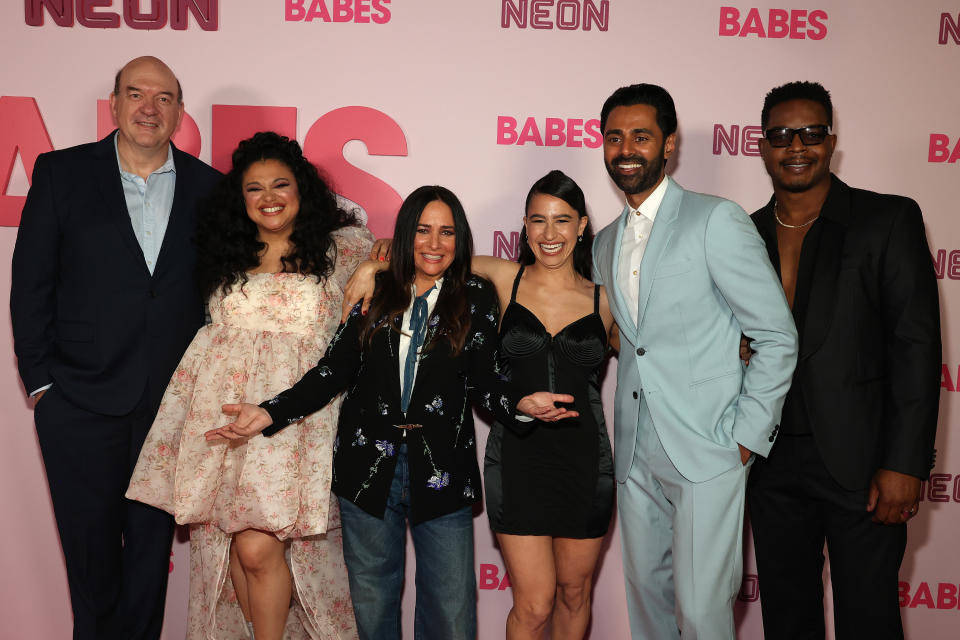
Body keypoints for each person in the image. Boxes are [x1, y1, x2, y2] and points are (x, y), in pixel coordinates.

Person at [206, 185, 578, 640]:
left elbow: (485, 379)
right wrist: (267, 413)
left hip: (442, 471)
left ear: (460, 239)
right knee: (374, 608)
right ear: (406, 235)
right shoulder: (375, 289)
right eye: (423, 230)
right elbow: (332, 371)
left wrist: (519, 402)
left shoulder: (476, 295)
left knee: (452, 615)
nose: (434, 243)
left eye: (446, 232)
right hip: (367, 471)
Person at [344, 170, 616, 639]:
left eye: (563, 221)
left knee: (575, 595)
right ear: (524, 228)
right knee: (533, 605)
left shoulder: (607, 301)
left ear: (583, 225)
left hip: (586, 461)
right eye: (538, 221)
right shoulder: (501, 276)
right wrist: (375, 263)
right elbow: (429, 256)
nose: (550, 234)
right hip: (518, 459)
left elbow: (658, 353)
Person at [9, 56, 221, 640]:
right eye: (136, 94)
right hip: (77, 401)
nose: (148, 108)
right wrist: (42, 383)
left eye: (163, 98)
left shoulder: (212, 189)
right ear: (114, 104)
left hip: (170, 412)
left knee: (149, 568)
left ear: (179, 112)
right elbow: (30, 286)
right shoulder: (60, 174)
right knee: (90, 564)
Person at [126, 131, 368, 640]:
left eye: (280, 184)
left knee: (259, 547)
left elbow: (406, 258)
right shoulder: (225, 252)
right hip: (221, 417)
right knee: (236, 549)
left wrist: (376, 263)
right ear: (240, 197)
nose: (269, 198)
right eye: (254, 188)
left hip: (295, 421)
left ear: (302, 189)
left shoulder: (342, 248)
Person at [591, 83, 798, 639]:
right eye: (615, 137)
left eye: (641, 135)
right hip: (635, 449)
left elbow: (776, 336)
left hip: (709, 444)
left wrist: (746, 434)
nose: (626, 149)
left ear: (669, 143)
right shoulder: (604, 241)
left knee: (704, 614)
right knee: (649, 609)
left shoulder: (716, 220)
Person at [746, 81, 940, 639]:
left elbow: (916, 347)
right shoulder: (742, 233)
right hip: (770, 463)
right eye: (781, 135)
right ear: (762, 146)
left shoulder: (887, 220)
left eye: (811, 133)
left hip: (864, 466)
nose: (796, 146)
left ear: (831, 142)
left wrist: (905, 463)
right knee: (786, 616)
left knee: (869, 617)